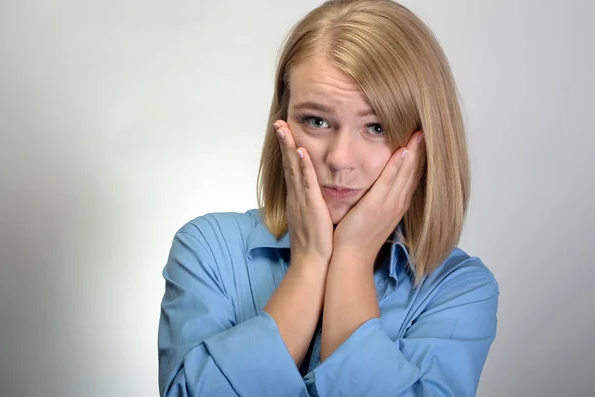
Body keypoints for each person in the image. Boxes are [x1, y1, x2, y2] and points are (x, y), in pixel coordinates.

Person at [157, 0, 499, 396]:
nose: (339, 159)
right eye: (316, 121)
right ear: (283, 123)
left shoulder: (457, 289)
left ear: (425, 143)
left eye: (376, 127)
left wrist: (350, 260)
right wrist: (310, 263)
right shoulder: (209, 248)